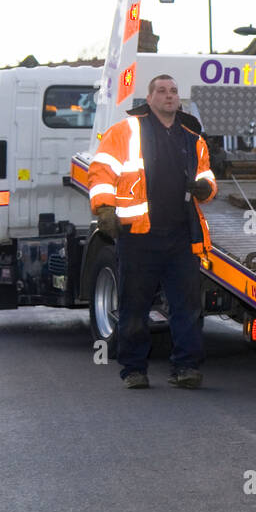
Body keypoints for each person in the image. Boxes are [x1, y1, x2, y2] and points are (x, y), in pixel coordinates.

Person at [87, 74, 218, 389]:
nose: (169, 96)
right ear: (149, 98)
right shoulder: (125, 131)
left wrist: (206, 188)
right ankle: (134, 370)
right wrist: (104, 208)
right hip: (138, 236)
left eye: (174, 91)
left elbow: (208, 177)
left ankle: (186, 367)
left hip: (181, 236)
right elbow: (101, 170)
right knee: (134, 306)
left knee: (187, 306)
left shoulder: (192, 138)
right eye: (162, 90)